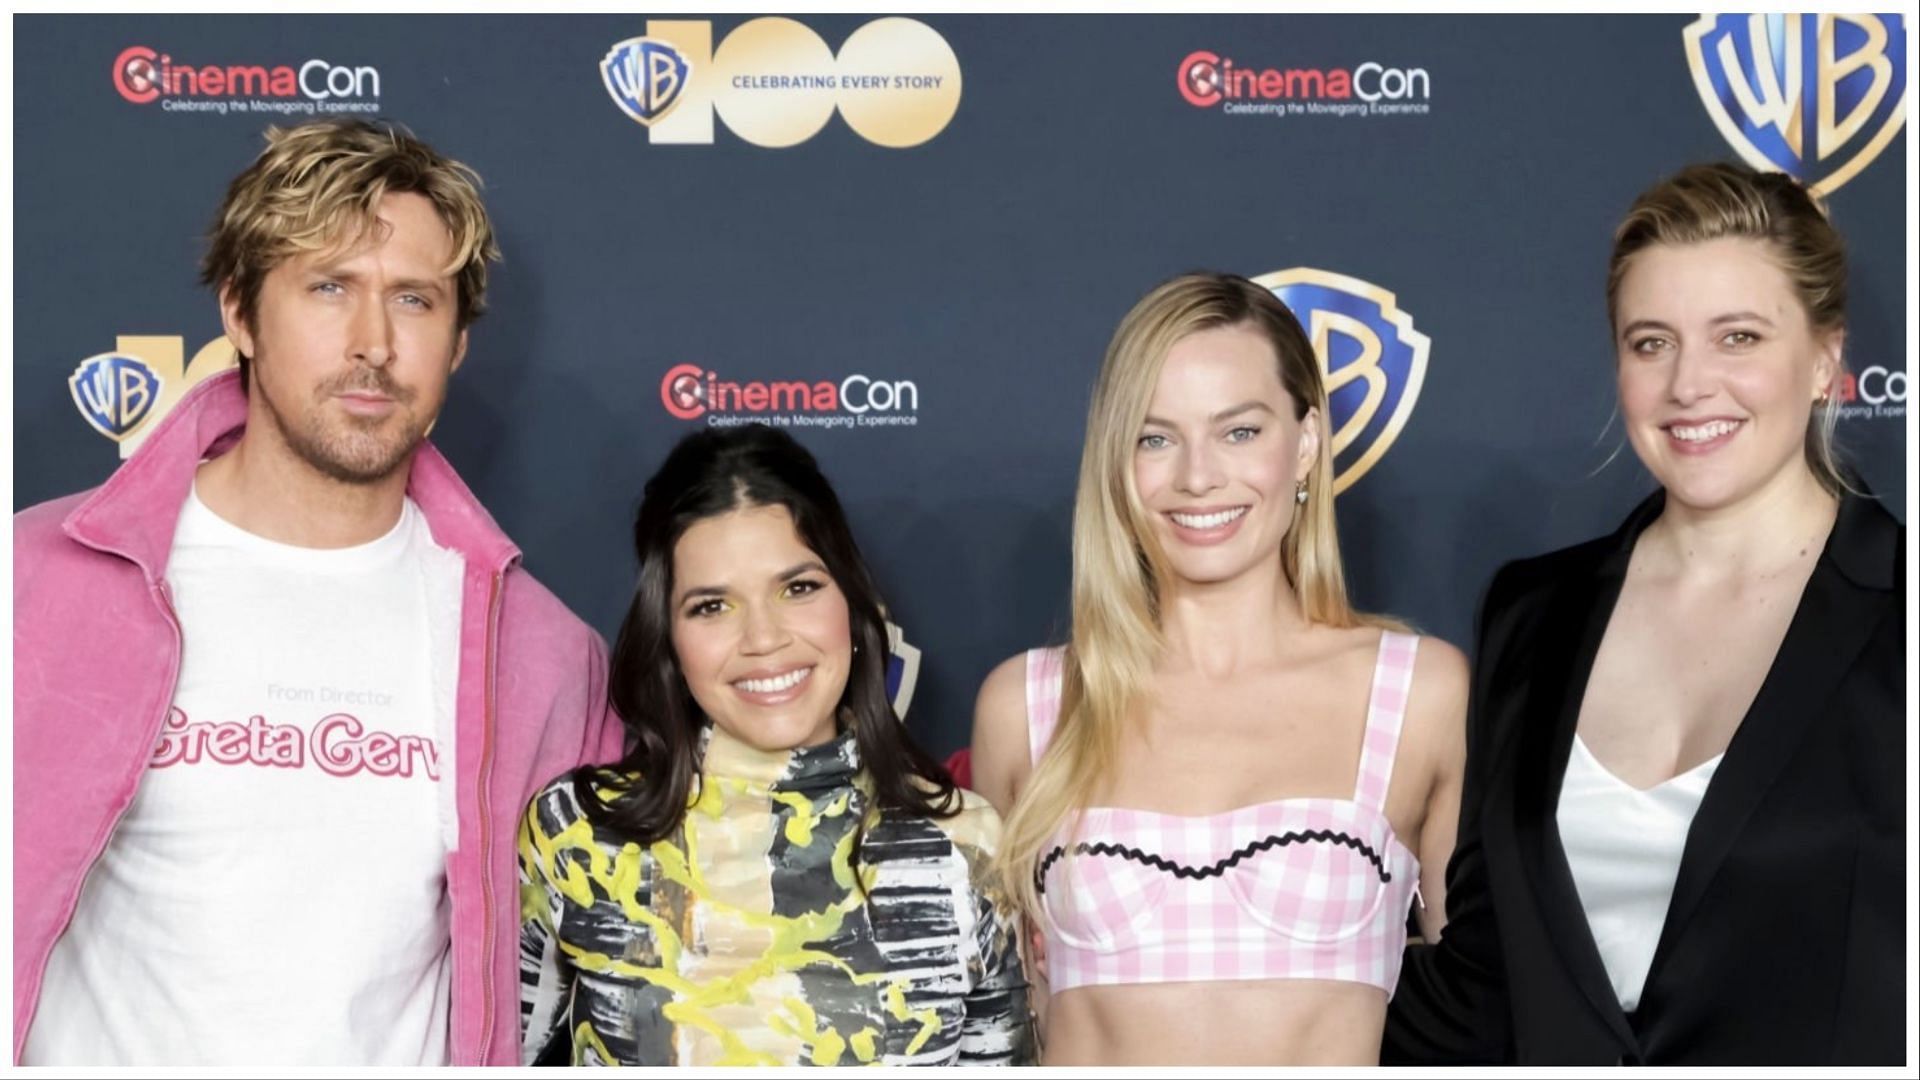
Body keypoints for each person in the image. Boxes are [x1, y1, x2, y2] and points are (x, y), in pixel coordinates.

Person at [11, 119, 623, 1066]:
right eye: (329, 287)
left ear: (457, 344)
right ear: (240, 315)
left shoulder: (538, 653)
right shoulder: (36, 583)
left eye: (414, 301)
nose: (373, 343)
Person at [1384, 162, 1905, 1065]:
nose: (1689, 384)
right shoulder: (1531, 613)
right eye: (1652, 342)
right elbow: (1481, 973)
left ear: (1825, 359)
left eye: (1737, 336)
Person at [970, 272, 1467, 1065]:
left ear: (1305, 444)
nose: (1197, 477)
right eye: (1154, 437)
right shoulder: (1029, 705)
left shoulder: (1418, 694)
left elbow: (1477, 1018)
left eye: (1239, 432)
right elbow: (991, 1021)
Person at [517, 425, 1035, 1067]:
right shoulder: (578, 835)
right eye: (712, 606)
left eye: (798, 588)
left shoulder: (962, 841)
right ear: (668, 636)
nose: (763, 638)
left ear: (852, 600)